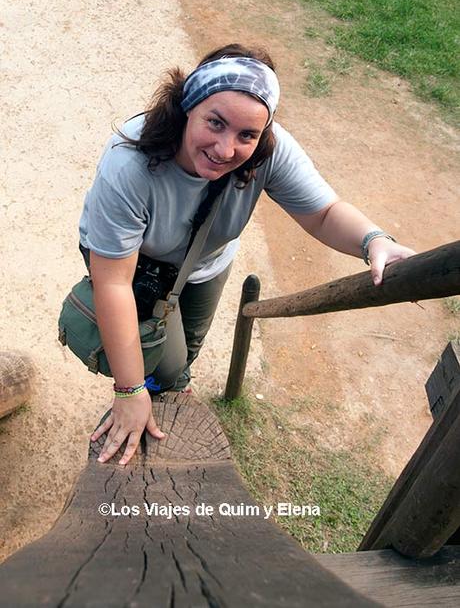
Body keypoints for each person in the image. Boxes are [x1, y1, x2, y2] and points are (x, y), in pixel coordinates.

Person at [78, 43, 414, 466]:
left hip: (205, 261)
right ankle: (158, 381)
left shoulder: (269, 150)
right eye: (215, 123)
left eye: (246, 135)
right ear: (187, 107)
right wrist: (127, 392)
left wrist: (373, 241)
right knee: (161, 359)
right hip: (133, 265)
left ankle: (173, 381)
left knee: (188, 343)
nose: (225, 149)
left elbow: (325, 213)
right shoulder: (129, 163)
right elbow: (113, 282)